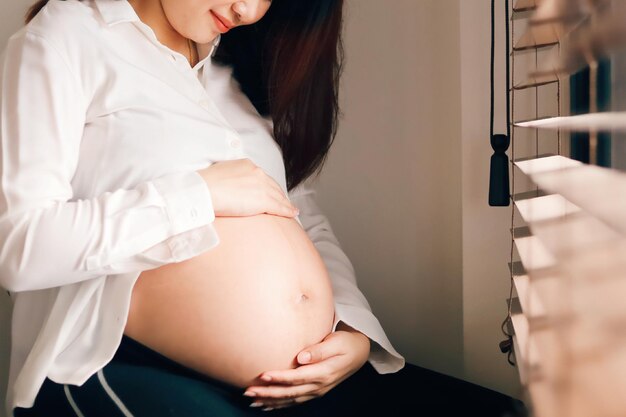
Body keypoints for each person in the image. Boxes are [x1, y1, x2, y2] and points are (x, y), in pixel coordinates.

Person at [0, 0, 527, 416]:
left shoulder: (230, 81)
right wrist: (199, 195)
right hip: (120, 365)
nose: (250, 10)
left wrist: (354, 331)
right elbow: (19, 245)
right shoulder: (67, 36)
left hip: (294, 380)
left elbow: (302, 215)